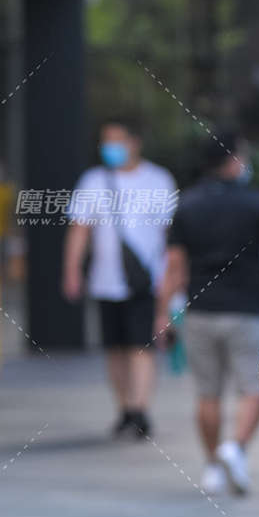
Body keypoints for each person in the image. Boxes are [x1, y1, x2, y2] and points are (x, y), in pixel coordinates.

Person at [159, 131, 259, 496]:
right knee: (254, 389)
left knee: (207, 394)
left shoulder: (188, 205)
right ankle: (236, 448)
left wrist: (162, 315)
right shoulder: (258, 204)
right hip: (246, 310)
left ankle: (213, 465)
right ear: (234, 160)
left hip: (199, 311)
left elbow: (174, 266)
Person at [63, 116, 176, 440]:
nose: (110, 148)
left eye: (117, 140)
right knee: (115, 349)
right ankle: (125, 408)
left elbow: (170, 235)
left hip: (146, 280)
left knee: (141, 346)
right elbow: (79, 230)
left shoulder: (158, 179)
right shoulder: (93, 180)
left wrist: (172, 278)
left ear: (134, 142)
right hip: (105, 280)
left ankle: (140, 409)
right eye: (105, 142)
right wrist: (72, 270)